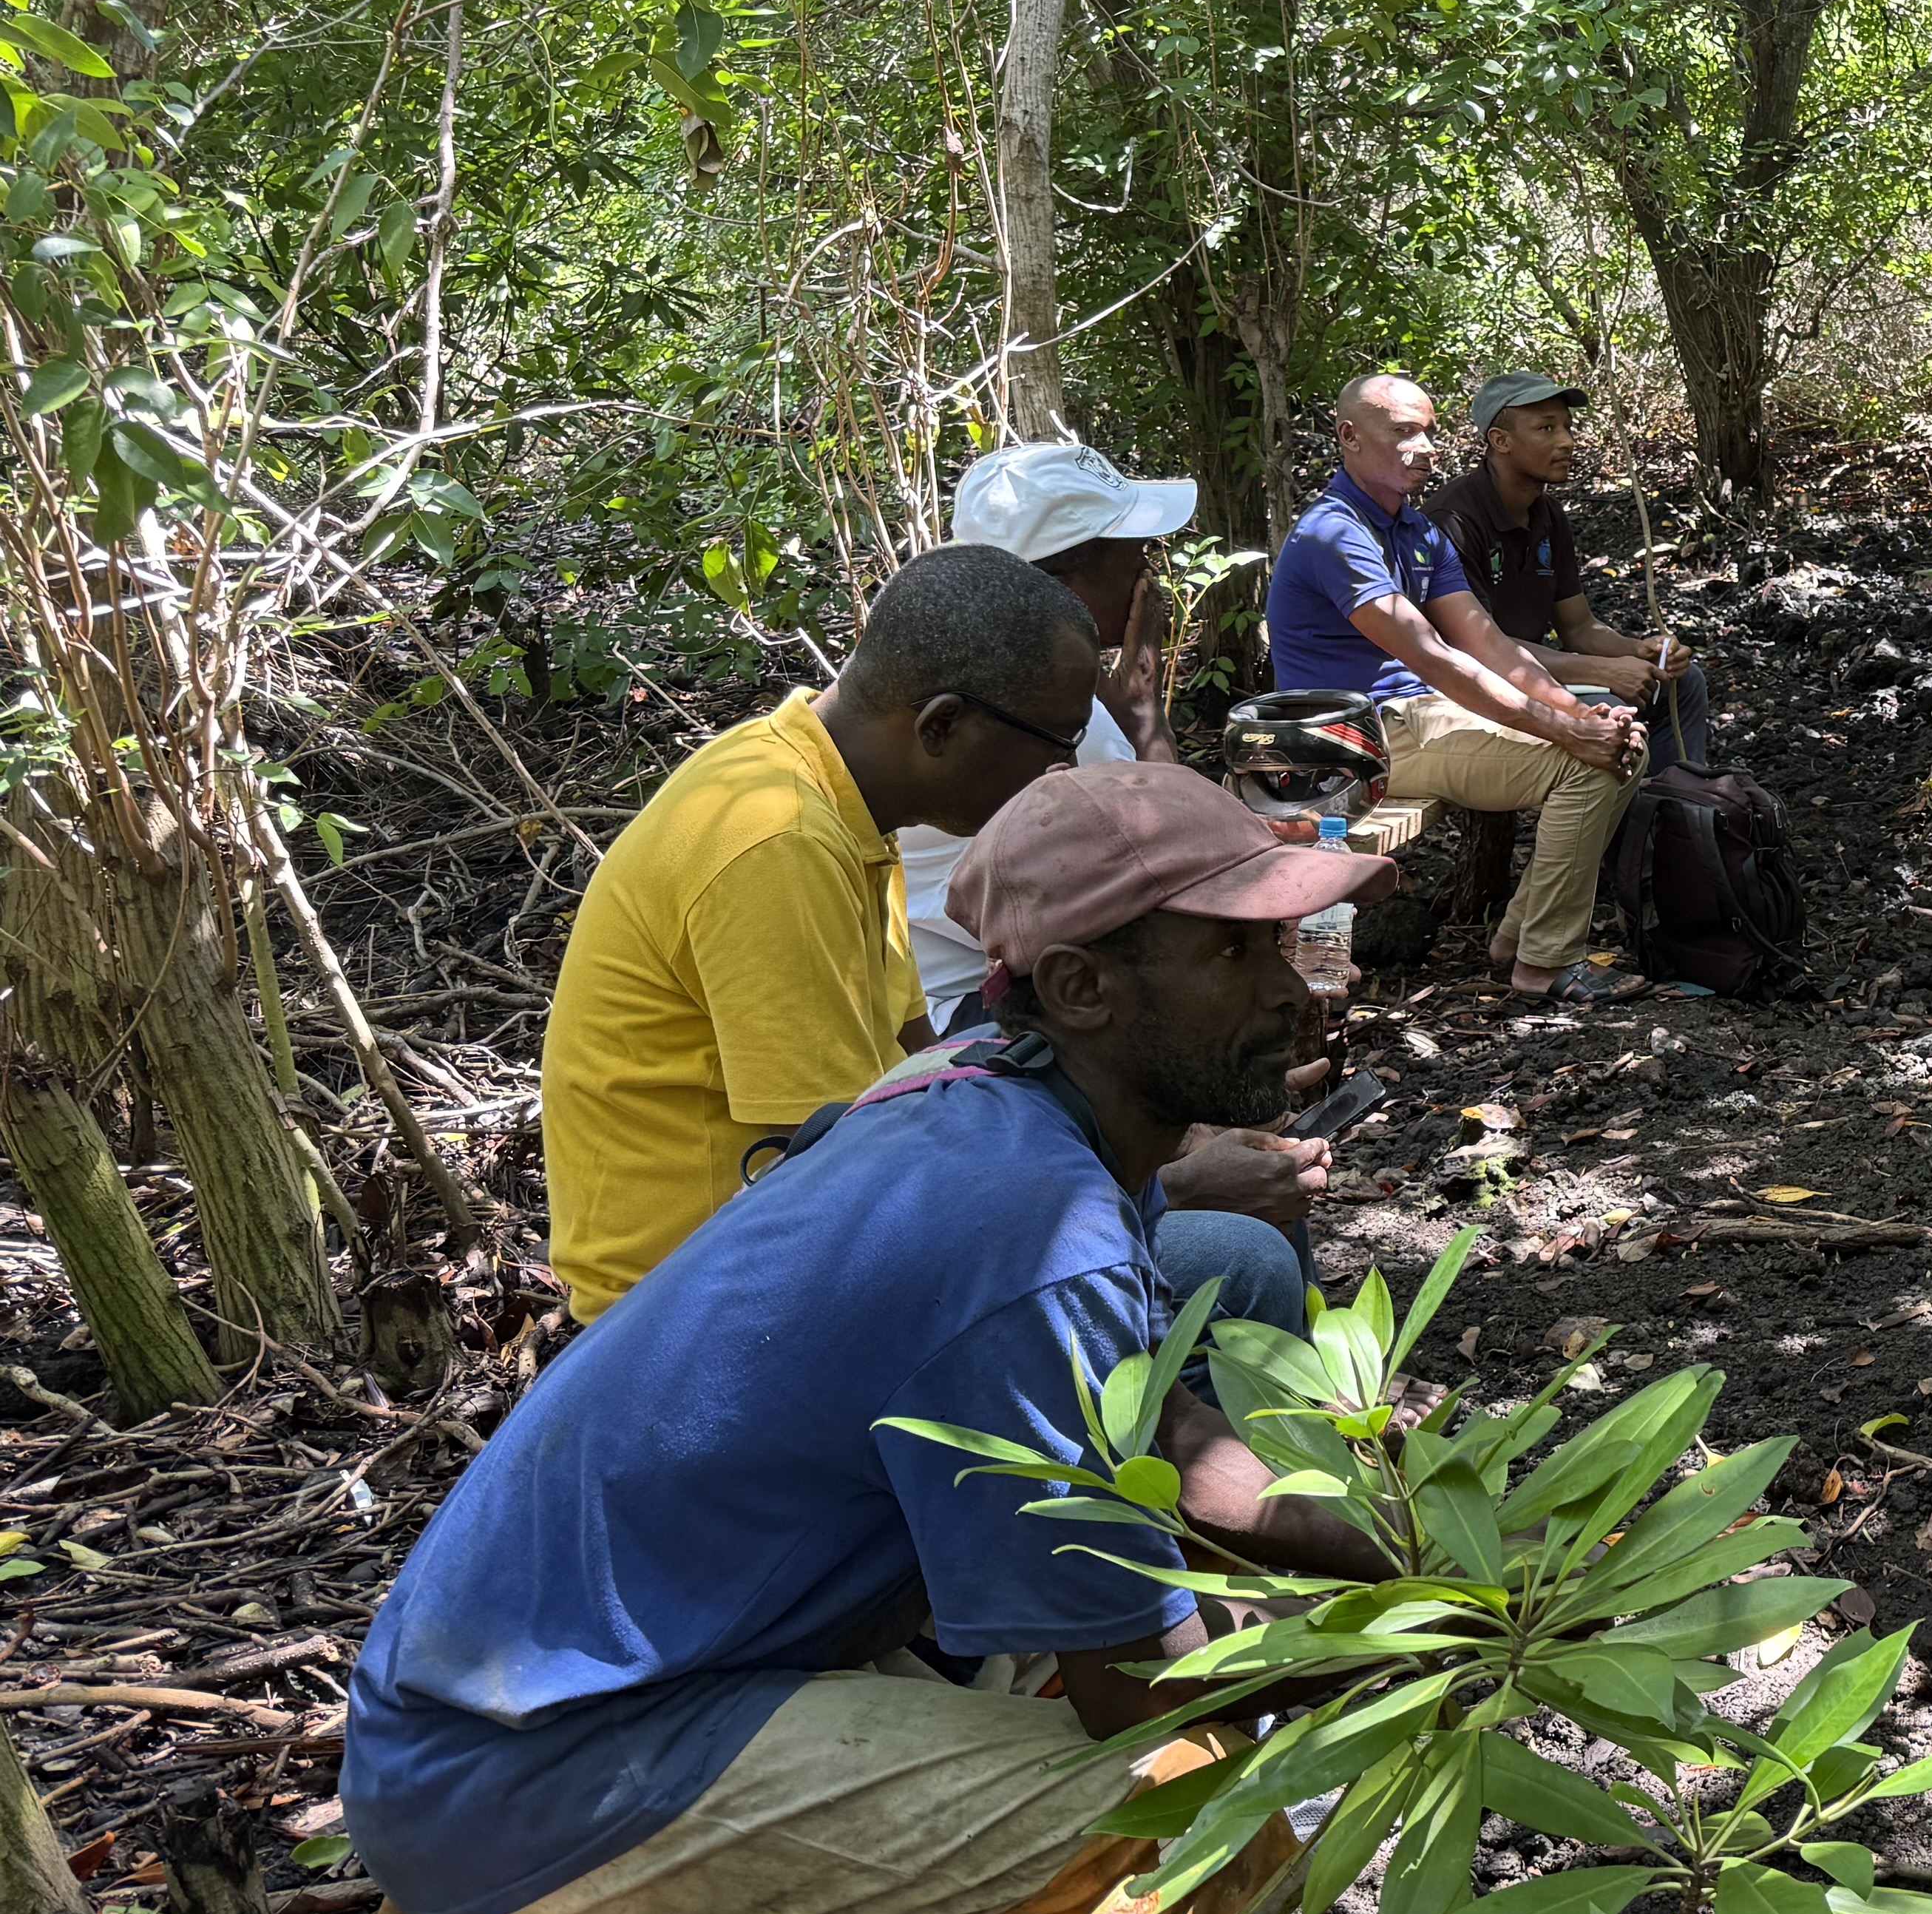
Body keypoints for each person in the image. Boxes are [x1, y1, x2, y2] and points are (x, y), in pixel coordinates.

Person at [348, 765, 1429, 1914]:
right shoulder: (1024, 1235)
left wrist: (1397, 1552)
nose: (1295, 992)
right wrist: (1432, 1653)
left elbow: (1155, 1436)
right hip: (526, 1773)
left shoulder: (993, 1095)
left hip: (540, 1695)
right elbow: (1151, 1702)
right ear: (1081, 985)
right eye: (1237, 952)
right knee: (1197, 1822)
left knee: (1167, 1681)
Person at [538, 545, 1097, 1322]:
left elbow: (922, 1067)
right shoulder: (780, 841)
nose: (1061, 771)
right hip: (694, 1308)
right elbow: (842, 1179)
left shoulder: (844, 801)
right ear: (943, 726)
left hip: (793, 1240)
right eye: (1055, 741)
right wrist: (1135, 1189)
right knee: (1229, 1262)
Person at [1266, 373, 1647, 1001]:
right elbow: (1437, 657)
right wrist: (1565, 732)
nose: (1425, 448)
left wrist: (1583, 716)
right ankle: (1544, 963)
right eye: (1404, 433)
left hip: (1419, 719)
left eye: (1430, 433)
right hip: (1355, 739)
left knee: (1621, 747)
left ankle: (1522, 938)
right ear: (1350, 437)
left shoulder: (1418, 532)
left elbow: (1487, 644)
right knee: (1582, 765)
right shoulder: (1333, 533)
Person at [903, 440, 1196, 1031]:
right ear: (1064, 586)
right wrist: (1145, 718)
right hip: (971, 1011)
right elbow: (1176, 863)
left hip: (962, 986)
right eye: (1135, 556)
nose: (1148, 576)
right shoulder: (1037, 703)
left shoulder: (964, 653)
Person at [1425, 370, 1717, 771]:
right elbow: (1477, 650)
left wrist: (1638, 651)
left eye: (1567, 427)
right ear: (1501, 441)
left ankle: (1676, 815)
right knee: (1612, 716)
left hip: (1532, 674)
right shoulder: (1453, 520)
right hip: (1474, 687)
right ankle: (1617, 832)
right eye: (1547, 428)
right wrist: (1603, 671)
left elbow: (1578, 628)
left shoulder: (1547, 515)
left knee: (1683, 684)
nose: (1568, 442)